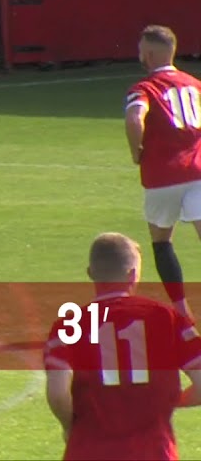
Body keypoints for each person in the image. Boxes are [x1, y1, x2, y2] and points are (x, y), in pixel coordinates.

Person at [43, 232, 201, 461]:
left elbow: (57, 393)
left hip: (88, 451)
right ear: (133, 274)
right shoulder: (167, 318)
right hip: (155, 452)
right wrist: (173, 401)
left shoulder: (69, 324)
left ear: (90, 273)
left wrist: (70, 426)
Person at [125, 24, 201, 321]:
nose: (139, 55)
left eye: (142, 50)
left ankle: (182, 310)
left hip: (162, 175)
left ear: (151, 53)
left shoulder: (143, 89)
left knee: (161, 240)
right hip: (197, 170)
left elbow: (135, 118)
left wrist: (136, 151)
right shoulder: (195, 85)